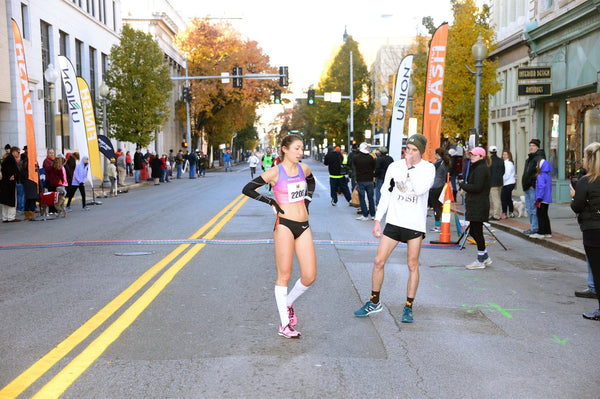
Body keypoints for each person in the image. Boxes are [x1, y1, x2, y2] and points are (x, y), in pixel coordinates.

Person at [354, 134, 435, 323]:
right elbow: (386, 194)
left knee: (412, 265)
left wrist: (409, 170)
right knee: (378, 261)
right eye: (408, 149)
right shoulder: (394, 166)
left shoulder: (428, 168)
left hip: (414, 223)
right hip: (394, 221)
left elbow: (420, 189)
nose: (409, 153)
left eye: (414, 150)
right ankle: (374, 302)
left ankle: (408, 306)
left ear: (420, 151)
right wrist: (377, 220)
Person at [242, 134, 316, 338]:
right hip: (284, 225)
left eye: (302, 149)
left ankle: (289, 303)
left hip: (303, 226)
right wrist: (271, 202)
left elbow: (311, 182)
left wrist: (307, 201)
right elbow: (247, 189)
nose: (300, 152)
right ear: (284, 149)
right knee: (284, 274)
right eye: (297, 149)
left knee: (309, 276)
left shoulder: (304, 169)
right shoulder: (275, 172)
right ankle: (285, 325)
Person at [570, 142, 600, 320]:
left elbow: (577, 206)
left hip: (593, 230)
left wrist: (574, 196)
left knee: (597, 271)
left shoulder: (585, 182)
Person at [459, 147, 492, 269]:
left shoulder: (481, 169)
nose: (472, 157)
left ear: (481, 157)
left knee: (476, 231)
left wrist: (464, 185)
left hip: (478, 204)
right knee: (474, 231)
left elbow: (477, 187)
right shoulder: (478, 168)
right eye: (471, 155)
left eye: (475, 155)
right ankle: (485, 256)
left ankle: (480, 259)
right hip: (476, 203)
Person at [522, 138, 546, 235]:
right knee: (528, 208)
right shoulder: (529, 159)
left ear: (537, 147)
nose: (531, 147)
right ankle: (533, 226)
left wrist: (533, 185)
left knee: (533, 209)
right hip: (527, 187)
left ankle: (535, 227)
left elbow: (539, 173)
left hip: (532, 188)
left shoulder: (539, 158)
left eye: (533, 146)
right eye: (530, 145)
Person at [530, 159, 553, 239]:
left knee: (540, 215)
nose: (536, 166)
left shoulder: (540, 176)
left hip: (542, 199)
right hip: (547, 199)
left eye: (537, 165)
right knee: (545, 215)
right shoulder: (548, 176)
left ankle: (541, 232)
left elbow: (541, 187)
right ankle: (547, 232)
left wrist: (539, 198)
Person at [353, 142, 376, 221]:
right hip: (369, 179)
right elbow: (374, 167)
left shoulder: (356, 157)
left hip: (360, 180)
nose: (369, 149)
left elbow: (354, 166)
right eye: (367, 148)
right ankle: (373, 215)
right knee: (371, 198)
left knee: (362, 198)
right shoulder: (371, 158)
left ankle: (365, 215)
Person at [428, 148, 450, 232]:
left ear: (437, 154)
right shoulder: (444, 162)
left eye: (434, 153)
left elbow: (430, 170)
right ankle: (440, 223)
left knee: (435, 206)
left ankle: (438, 225)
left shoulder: (438, 163)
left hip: (435, 187)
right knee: (439, 206)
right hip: (441, 186)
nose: (433, 154)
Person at [1, 146, 21, 222]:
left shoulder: (7, 159)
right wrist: (12, 175)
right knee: (11, 200)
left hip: (4, 182)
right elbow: (13, 170)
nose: (19, 154)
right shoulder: (11, 159)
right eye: (18, 152)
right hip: (9, 182)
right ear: (14, 152)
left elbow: (4, 168)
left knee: (5, 201)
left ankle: (5, 217)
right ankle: (11, 217)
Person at [488, 146, 505, 220]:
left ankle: (496, 215)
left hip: (492, 182)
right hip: (500, 182)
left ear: (490, 152)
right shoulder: (501, 160)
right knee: (497, 198)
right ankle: (497, 213)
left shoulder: (489, 161)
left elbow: (488, 172)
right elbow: (503, 171)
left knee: (495, 199)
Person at [501, 150, 516, 218]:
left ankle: (504, 212)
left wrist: (501, 180)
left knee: (503, 198)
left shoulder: (508, 164)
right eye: (503, 154)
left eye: (506, 155)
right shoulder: (504, 163)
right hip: (507, 183)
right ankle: (510, 212)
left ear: (509, 156)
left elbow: (507, 174)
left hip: (508, 183)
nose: (504, 156)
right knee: (508, 198)